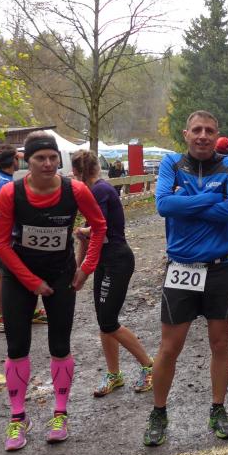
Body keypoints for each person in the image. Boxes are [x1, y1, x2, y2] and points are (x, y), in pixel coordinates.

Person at [0, 131, 106, 451]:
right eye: (40, 158)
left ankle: (60, 414)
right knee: (17, 346)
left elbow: (99, 227)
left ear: (59, 159)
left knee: (60, 344)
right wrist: (31, 281)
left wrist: (86, 268)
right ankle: (18, 417)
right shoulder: (10, 193)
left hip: (60, 274)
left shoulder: (76, 190)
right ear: (26, 161)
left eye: (53, 157)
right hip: (18, 276)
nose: (47, 163)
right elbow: (0, 243)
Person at [143, 110, 228, 446]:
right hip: (182, 267)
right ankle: (158, 412)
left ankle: (218, 408)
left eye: (209, 130)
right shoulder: (171, 163)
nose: (203, 135)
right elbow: (163, 206)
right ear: (186, 134)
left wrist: (185, 201)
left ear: (217, 135)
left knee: (220, 344)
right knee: (170, 347)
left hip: (221, 267)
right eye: (197, 130)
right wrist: (212, 198)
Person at [70, 151, 154, 397]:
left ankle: (150, 366)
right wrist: (78, 269)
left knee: (108, 321)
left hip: (118, 260)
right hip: (104, 261)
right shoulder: (92, 191)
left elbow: (99, 228)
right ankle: (114, 374)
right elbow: (88, 237)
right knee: (103, 321)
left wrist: (82, 232)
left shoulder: (101, 190)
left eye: (73, 174)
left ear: (78, 172)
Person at [0, 146, 19, 333]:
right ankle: (3, 318)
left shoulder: (0, 180)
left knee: (1, 274)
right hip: (4, 236)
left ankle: (8, 314)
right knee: (1, 275)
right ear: (13, 160)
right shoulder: (5, 184)